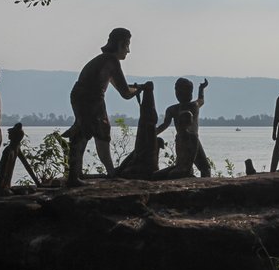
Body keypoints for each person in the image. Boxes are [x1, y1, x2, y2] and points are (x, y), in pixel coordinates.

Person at [65, 28, 142, 185]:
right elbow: (126, 93)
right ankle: (107, 173)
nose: (128, 51)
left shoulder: (104, 60)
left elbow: (119, 85)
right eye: (127, 45)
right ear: (120, 44)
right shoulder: (111, 61)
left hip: (82, 96)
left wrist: (135, 88)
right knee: (95, 131)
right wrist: (140, 89)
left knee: (87, 130)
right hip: (90, 98)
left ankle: (80, 173)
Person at [156, 77, 211, 177]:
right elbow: (201, 100)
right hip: (190, 139)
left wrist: (152, 134)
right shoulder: (194, 105)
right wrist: (201, 88)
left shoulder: (172, 109)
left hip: (181, 139)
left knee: (184, 166)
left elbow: (164, 126)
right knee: (204, 168)